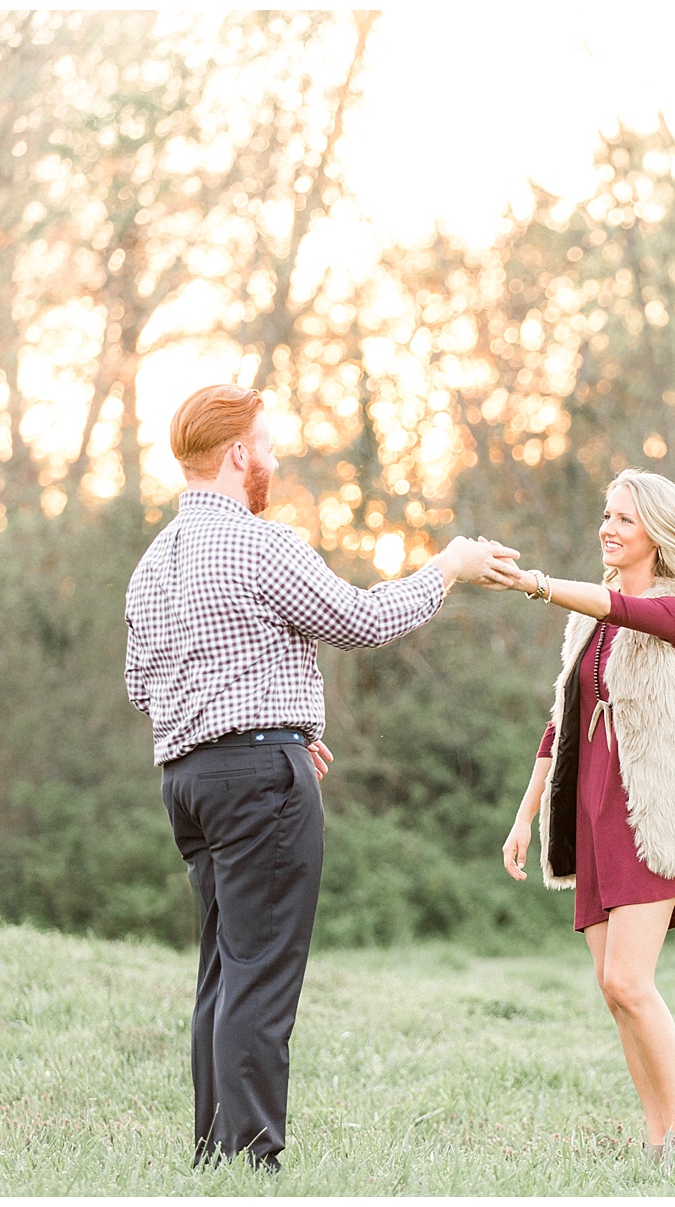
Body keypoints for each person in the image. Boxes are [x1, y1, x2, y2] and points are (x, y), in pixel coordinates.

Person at [123, 383, 518, 1172]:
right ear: (237, 454)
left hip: (191, 780)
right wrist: (450, 566)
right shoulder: (258, 544)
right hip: (257, 779)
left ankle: (214, 1158)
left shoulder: (152, 562)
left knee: (222, 970)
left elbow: (142, 682)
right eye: (266, 447)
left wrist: (276, 722)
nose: (271, 461)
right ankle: (253, 1161)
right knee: (262, 975)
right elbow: (364, 621)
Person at [498, 468, 675, 1173]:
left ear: (658, 535)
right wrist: (526, 816)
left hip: (655, 813)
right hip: (593, 810)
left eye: (623, 520)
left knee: (633, 980)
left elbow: (628, 612)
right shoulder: (588, 620)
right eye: (606, 515)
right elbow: (560, 725)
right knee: (613, 988)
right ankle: (656, 1140)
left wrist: (536, 583)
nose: (607, 528)